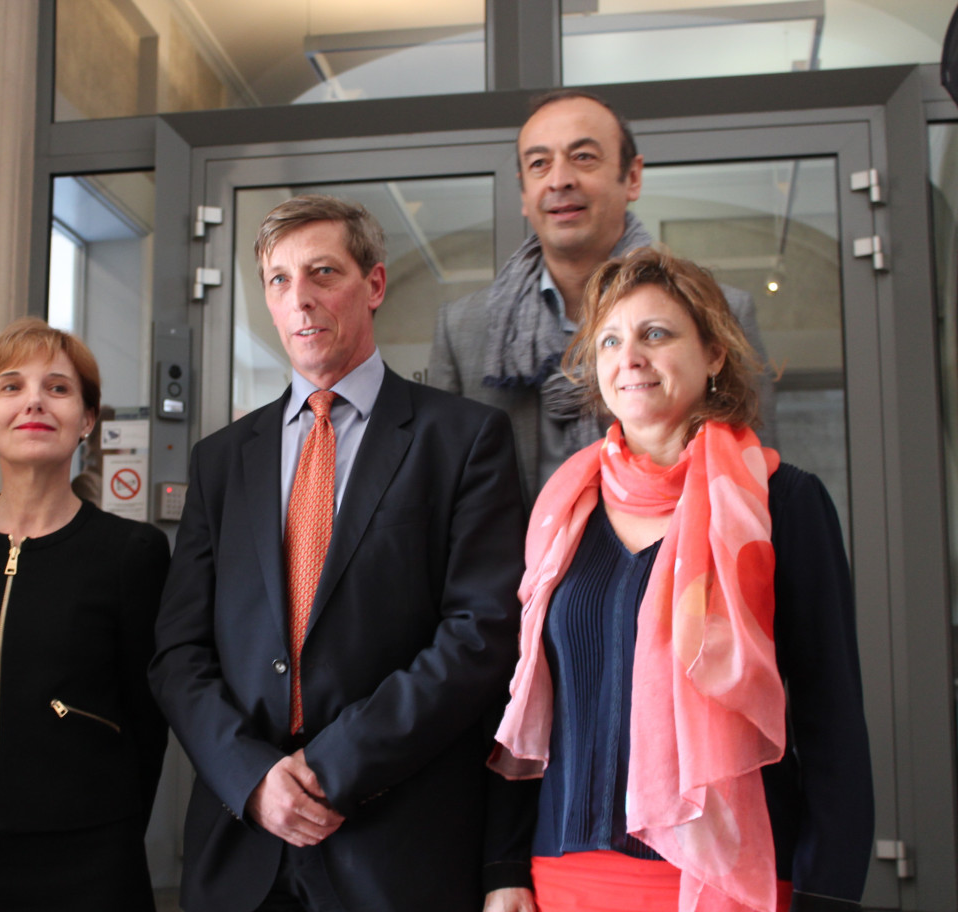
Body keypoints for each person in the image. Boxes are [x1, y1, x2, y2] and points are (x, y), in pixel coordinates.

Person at [150, 194, 527, 912]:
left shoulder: (464, 440)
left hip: (395, 840)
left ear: (374, 285)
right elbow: (178, 651)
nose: (301, 300)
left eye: (323, 273)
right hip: (243, 844)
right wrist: (253, 778)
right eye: (280, 280)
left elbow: (479, 634)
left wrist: (329, 766)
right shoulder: (222, 461)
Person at [483, 248, 872, 912]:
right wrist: (502, 867)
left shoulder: (783, 504)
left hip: (728, 879)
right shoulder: (561, 512)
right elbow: (527, 709)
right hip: (564, 877)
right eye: (610, 339)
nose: (628, 356)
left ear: (714, 353)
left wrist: (827, 892)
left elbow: (832, 721)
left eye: (655, 334)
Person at [0, 318, 170, 912]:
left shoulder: (132, 552)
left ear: (88, 419)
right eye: (11, 386)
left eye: (59, 388)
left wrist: (107, 819)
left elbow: (147, 721)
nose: (35, 402)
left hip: (86, 851)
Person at [429, 89, 776, 499]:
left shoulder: (720, 312)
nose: (560, 180)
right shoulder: (464, 329)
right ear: (524, 193)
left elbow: (754, 482)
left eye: (583, 157)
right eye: (539, 164)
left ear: (632, 177)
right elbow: (441, 492)